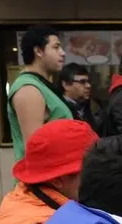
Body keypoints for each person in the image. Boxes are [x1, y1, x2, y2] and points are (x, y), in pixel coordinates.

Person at [7, 25, 72, 161]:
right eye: (56, 47)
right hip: (46, 180)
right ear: (39, 51)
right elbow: (35, 149)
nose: (62, 53)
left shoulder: (41, 85)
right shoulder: (28, 89)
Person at [59, 63, 98, 129]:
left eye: (88, 81)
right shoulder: (59, 110)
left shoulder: (93, 107)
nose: (88, 86)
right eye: (82, 82)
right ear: (66, 85)